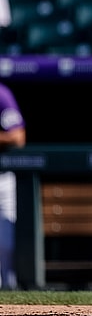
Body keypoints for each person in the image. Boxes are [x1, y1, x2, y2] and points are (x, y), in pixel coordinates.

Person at [0, 81, 26, 290]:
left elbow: (18, 137)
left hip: (2, 178)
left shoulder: (2, 93)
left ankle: (10, 292)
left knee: (7, 244)